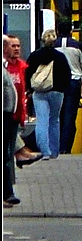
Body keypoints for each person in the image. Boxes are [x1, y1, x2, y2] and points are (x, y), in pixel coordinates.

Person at [25, 28, 71, 159]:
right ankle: (54, 152)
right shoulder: (60, 57)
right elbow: (67, 75)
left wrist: (29, 88)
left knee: (42, 120)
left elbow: (27, 73)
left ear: (42, 40)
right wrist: (62, 88)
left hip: (39, 92)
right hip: (57, 92)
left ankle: (45, 152)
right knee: (54, 120)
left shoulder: (35, 56)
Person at [3, 35, 42, 167]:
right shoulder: (5, 67)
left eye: (18, 46)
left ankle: (21, 153)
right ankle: (21, 153)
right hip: (7, 113)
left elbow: (21, 92)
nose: (16, 49)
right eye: (12, 46)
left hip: (15, 112)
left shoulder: (22, 66)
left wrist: (22, 114)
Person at [54, 20, 82, 154]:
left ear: (57, 31)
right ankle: (65, 148)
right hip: (73, 83)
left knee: (57, 116)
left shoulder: (53, 45)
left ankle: (56, 147)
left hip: (56, 84)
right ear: (70, 31)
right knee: (70, 116)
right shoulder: (77, 46)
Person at [3, 60, 20, 207]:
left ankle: (7, 193)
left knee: (6, 156)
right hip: (5, 115)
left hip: (10, 116)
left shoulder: (9, 66)